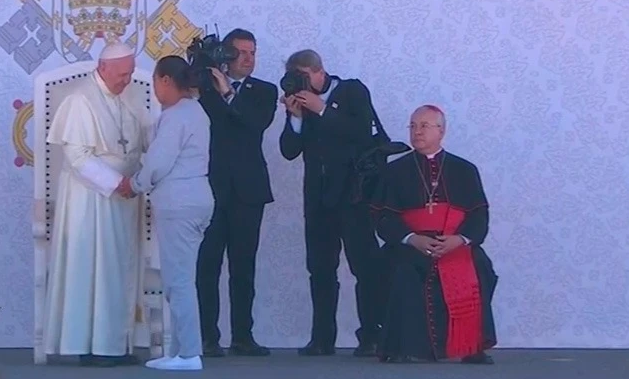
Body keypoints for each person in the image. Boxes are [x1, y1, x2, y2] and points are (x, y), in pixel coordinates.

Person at [42, 42, 151, 367]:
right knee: (93, 271)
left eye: (130, 74)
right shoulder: (80, 100)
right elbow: (77, 157)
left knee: (118, 271)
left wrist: (136, 180)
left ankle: (114, 344)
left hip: (124, 198)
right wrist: (117, 184)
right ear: (103, 68)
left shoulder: (125, 99)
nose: (126, 81)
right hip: (90, 200)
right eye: (122, 74)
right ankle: (92, 347)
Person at [370, 105, 498, 364]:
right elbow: (383, 218)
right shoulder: (394, 171)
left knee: (480, 265)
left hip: (454, 244)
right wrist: (411, 238)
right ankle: (403, 347)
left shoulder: (464, 170)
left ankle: (471, 346)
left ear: (441, 130)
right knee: (400, 269)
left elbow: (479, 215)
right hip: (411, 245)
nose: (416, 132)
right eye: (413, 126)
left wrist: (459, 240)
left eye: (424, 126)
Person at [278, 49, 383, 357]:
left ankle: (371, 335)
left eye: (303, 77)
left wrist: (322, 109)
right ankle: (322, 338)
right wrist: (296, 118)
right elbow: (288, 151)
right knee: (320, 269)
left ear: (319, 72)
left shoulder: (351, 91)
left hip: (354, 196)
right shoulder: (301, 103)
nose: (300, 83)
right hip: (318, 198)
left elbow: (362, 133)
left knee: (365, 267)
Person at [118, 55, 215, 371]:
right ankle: (180, 351)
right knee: (180, 278)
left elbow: (158, 162)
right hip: (195, 199)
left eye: (155, 83)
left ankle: (189, 354)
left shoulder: (175, 116)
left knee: (179, 280)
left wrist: (135, 183)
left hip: (179, 203)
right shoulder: (196, 111)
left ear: (165, 80)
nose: (156, 91)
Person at [195, 28, 277, 357]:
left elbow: (255, 123)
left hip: (248, 190)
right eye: (241, 52)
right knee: (207, 265)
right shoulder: (203, 89)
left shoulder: (264, 91)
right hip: (210, 188)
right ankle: (207, 337)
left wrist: (228, 92)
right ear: (226, 55)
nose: (248, 59)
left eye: (252, 52)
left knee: (243, 267)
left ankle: (243, 336)